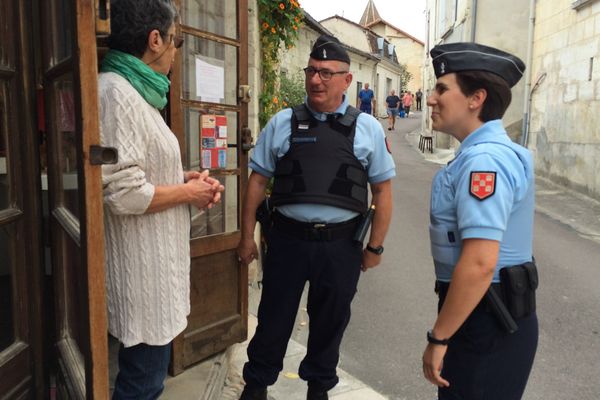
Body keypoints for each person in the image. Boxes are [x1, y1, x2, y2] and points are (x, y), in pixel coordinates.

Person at [237, 34, 395, 400]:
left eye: (325, 73)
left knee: (330, 321)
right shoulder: (282, 122)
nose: (315, 79)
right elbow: (257, 181)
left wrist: (376, 247)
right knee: (274, 318)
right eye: (311, 71)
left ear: (346, 80)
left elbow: (383, 192)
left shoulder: (367, 128)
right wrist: (247, 237)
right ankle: (256, 383)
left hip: (341, 246)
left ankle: (318, 388)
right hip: (287, 242)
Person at [98, 0, 224, 398]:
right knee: (141, 384)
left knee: (145, 380)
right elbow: (122, 192)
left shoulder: (136, 92)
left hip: (154, 271)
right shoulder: (117, 93)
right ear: (155, 40)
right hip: (143, 276)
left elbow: (139, 172)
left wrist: (183, 180)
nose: (174, 51)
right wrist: (189, 191)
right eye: (175, 41)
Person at [422, 42, 538, 400]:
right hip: (484, 312)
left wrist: (439, 337)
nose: (430, 99)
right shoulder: (479, 155)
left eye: (442, 88)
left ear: (476, 99)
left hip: (487, 317)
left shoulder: (484, 161)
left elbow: (480, 262)